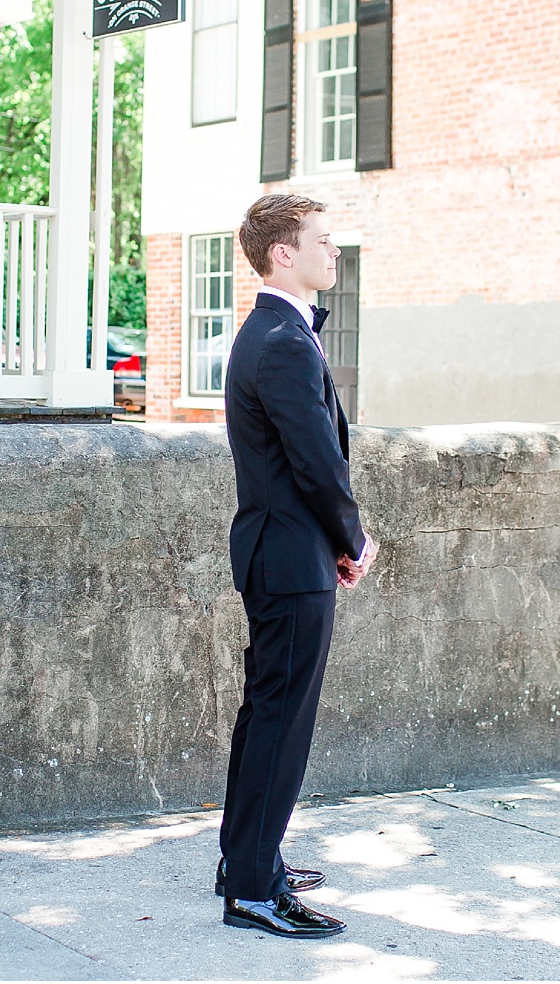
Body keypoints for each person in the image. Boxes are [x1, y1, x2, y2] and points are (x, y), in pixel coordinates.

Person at [216, 194, 377, 939]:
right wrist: (353, 538)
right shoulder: (280, 338)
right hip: (290, 556)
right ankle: (252, 886)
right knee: (281, 722)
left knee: (266, 714)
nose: (334, 251)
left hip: (282, 551)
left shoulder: (275, 330)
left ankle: (246, 857)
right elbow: (315, 460)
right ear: (284, 251)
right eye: (323, 239)